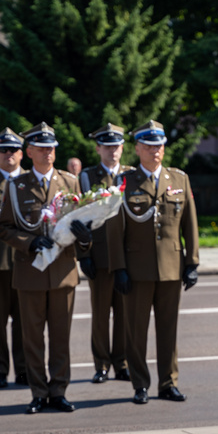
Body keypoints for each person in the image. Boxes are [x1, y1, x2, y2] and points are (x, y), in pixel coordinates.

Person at [0, 122, 93, 415]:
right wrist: (29, 242)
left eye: (51, 148)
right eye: (41, 148)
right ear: (29, 152)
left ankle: (59, 391)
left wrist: (85, 238)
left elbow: (83, 221)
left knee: (61, 337)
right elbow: (4, 228)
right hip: (31, 272)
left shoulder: (69, 182)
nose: (47, 153)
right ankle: (38, 392)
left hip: (63, 272)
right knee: (33, 338)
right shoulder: (16, 186)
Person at [106, 120, 199, 405]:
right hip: (136, 269)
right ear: (137, 149)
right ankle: (140, 384)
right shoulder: (124, 182)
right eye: (148, 146)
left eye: (158, 145)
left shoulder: (179, 179)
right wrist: (119, 268)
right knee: (136, 331)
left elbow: (190, 223)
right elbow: (114, 229)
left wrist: (192, 262)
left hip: (171, 267)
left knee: (168, 329)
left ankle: (168, 383)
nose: (154, 151)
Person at [79, 123, 133, 384]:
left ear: (122, 148)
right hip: (99, 254)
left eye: (116, 146)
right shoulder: (88, 177)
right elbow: (80, 218)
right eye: (107, 146)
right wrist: (83, 255)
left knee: (124, 314)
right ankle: (101, 365)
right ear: (98, 148)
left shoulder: (132, 175)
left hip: (126, 255)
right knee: (100, 314)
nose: (112, 151)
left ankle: (121, 363)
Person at [0, 128, 28, 389]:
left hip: (26, 262)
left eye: (13, 150)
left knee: (25, 321)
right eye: (3, 150)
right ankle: (0, 370)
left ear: (22, 154)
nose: (8, 154)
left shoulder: (31, 181)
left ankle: (23, 369)